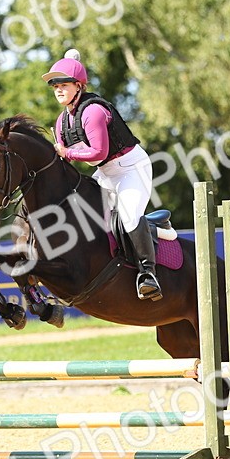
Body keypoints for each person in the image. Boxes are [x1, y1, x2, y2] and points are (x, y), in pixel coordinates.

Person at [42, 49, 162, 301]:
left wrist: (65, 152)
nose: (58, 90)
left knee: (129, 218)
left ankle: (147, 273)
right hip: (105, 173)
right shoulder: (61, 122)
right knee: (79, 214)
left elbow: (98, 151)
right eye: (55, 86)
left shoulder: (93, 111)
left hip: (131, 168)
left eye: (63, 85)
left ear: (79, 86)